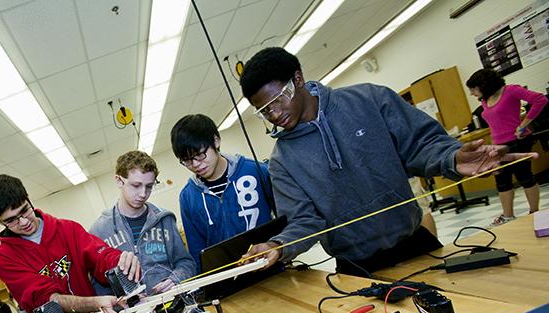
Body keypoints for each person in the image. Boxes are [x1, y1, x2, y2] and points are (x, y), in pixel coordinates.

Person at [238, 47, 537, 276]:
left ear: (298, 79)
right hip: (356, 268)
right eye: (264, 110)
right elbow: (303, 220)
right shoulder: (282, 161)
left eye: (278, 100)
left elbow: (421, 144)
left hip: (415, 243)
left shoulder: (369, 100)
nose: (274, 113)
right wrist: (279, 245)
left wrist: (452, 157)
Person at [0, 174, 141, 313]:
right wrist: (94, 303)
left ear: (28, 199)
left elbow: (100, 256)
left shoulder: (67, 229)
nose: (23, 222)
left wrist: (120, 261)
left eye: (24, 211)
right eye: (11, 220)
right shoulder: (3, 258)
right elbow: (46, 300)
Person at [170, 114, 275, 272]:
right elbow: (197, 250)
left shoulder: (257, 171)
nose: (196, 164)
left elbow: (286, 220)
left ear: (216, 140)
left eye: (200, 154)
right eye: (187, 160)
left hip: (270, 268)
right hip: (226, 281)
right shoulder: (188, 197)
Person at [89, 150, 196, 294]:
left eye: (149, 186)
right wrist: (120, 307)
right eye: (136, 185)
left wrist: (175, 279)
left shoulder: (165, 219)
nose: (143, 194)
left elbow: (186, 263)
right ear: (119, 181)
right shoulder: (98, 231)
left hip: (173, 304)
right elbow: (99, 285)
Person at [466, 68, 546, 225]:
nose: (472, 93)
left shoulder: (511, 90)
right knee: (502, 179)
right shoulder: (485, 99)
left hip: (518, 141)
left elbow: (540, 100)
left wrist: (524, 125)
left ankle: (534, 213)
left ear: (483, 84)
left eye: (473, 89)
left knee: (524, 176)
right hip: (498, 146)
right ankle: (508, 215)